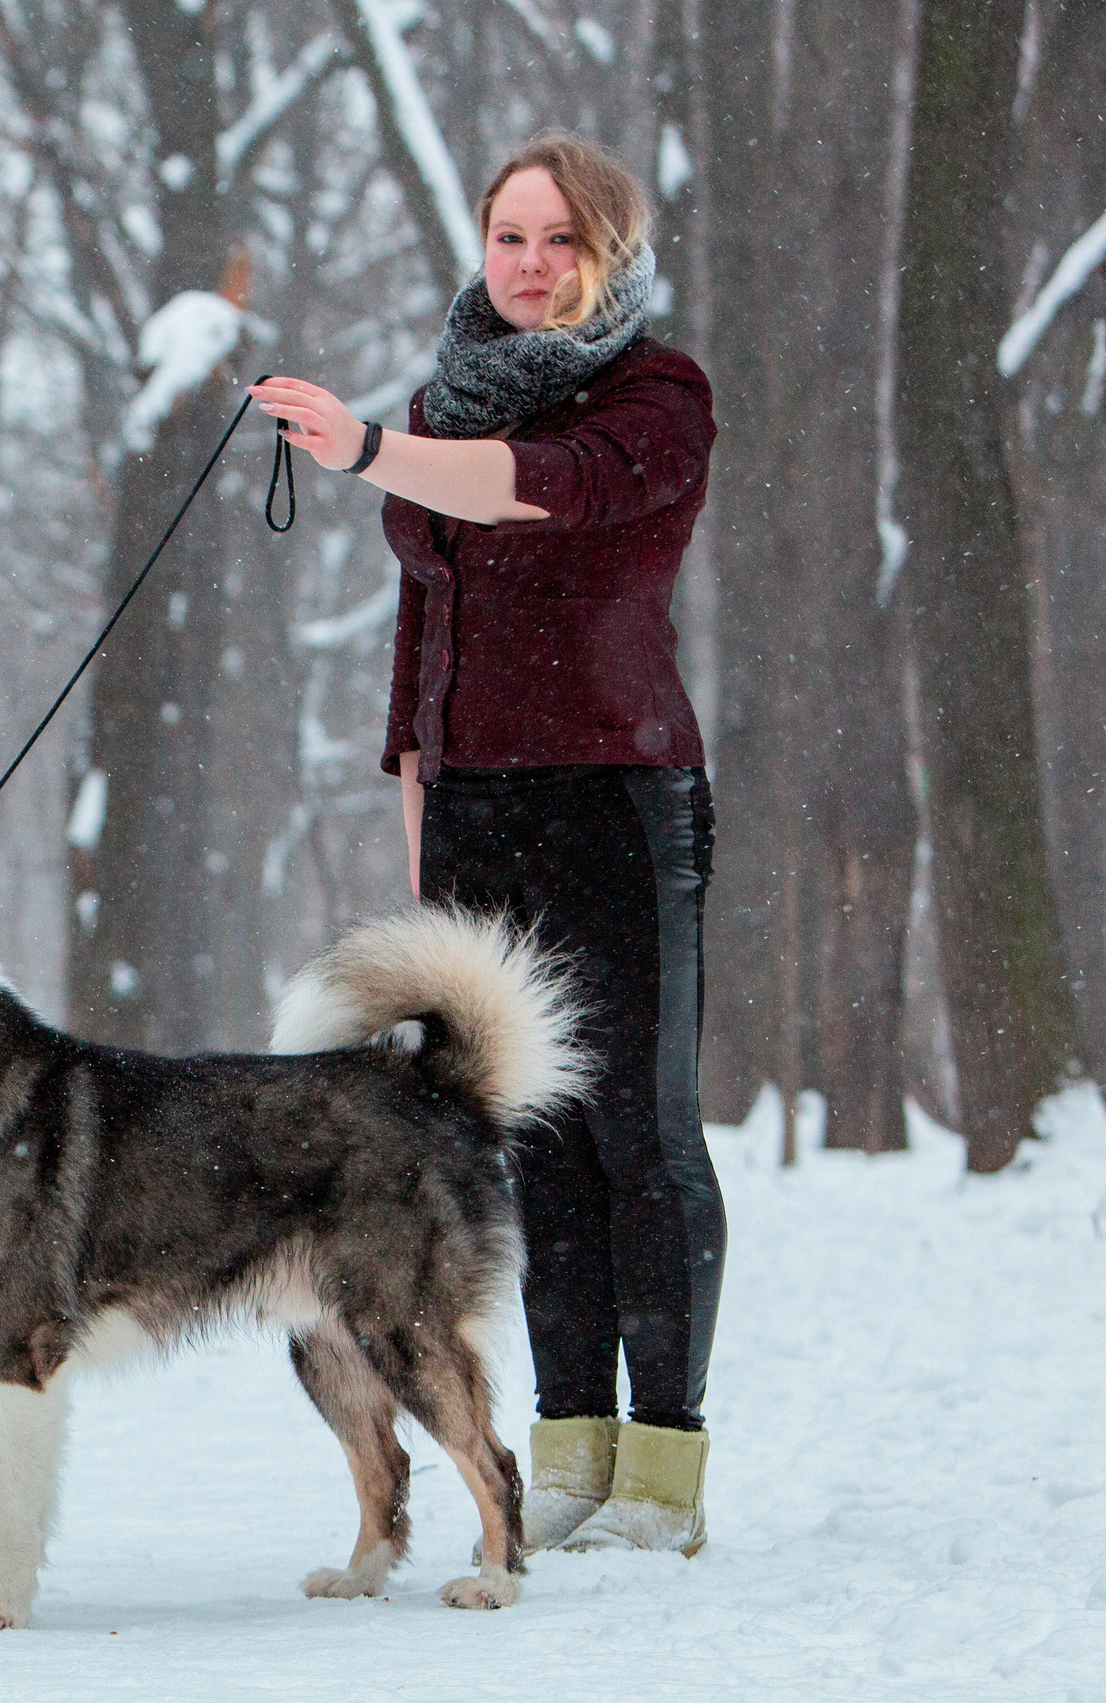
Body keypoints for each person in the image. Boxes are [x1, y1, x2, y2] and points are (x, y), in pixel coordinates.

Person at [251, 131, 724, 1557]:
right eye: (507, 237)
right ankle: (572, 1447)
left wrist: (372, 451)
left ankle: (666, 1468)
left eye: (557, 241)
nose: (527, 265)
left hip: (615, 792)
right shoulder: (443, 399)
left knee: (640, 1129)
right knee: (524, 1136)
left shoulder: (655, 396)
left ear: (607, 252)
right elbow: (428, 623)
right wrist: (420, 808)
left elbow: (542, 489)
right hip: (475, 804)